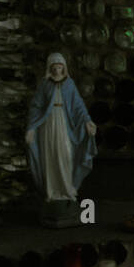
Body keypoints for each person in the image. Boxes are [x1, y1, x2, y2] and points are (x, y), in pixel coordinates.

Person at [25, 53, 97, 208]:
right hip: (48, 124)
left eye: (60, 67)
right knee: (50, 156)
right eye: (54, 67)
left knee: (66, 154)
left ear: (64, 68)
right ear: (50, 68)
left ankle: (67, 188)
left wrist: (87, 120)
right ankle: (51, 190)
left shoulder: (69, 83)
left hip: (64, 123)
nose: (57, 70)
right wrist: (31, 127)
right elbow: (36, 106)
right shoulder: (45, 84)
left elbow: (78, 105)